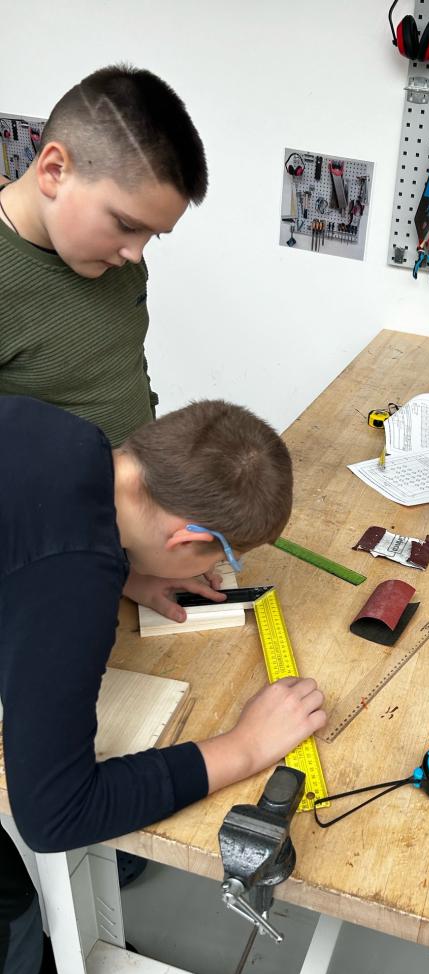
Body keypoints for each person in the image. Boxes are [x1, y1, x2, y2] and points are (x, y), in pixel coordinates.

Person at [0, 396, 327, 974]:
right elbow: (54, 812)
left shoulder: (70, 436)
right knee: (9, 912)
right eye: (221, 557)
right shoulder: (71, 587)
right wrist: (244, 747)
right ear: (188, 539)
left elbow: (31, 527)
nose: (219, 569)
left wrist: (122, 570)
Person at [0, 64, 218, 625]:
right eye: (125, 224)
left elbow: (120, 373)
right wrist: (96, 564)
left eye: (152, 235)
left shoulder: (111, 263)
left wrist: (133, 559)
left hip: (110, 549)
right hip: (42, 569)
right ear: (54, 169)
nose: (136, 253)